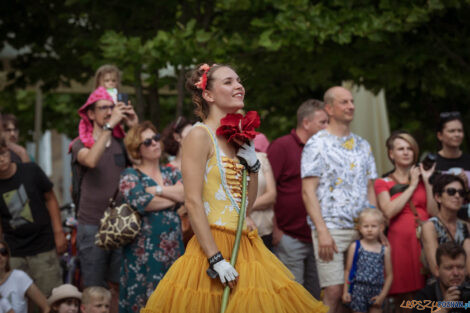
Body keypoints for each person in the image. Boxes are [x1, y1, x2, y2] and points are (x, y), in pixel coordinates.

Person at [141, 63, 327, 313]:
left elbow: (245, 209)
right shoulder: (199, 135)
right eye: (228, 82)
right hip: (212, 244)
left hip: (245, 246)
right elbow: (193, 201)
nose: (238, 86)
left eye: (239, 81)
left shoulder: (239, 138)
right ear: (208, 94)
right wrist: (215, 258)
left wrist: (252, 167)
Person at [301, 86, 378, 313]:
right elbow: (308, 191)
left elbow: (370, 187)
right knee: (333, 291)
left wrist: (376, 224)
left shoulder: (363, 145)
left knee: (362, 292)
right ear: (329, 108)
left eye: (352, 101)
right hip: (331, 229)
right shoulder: (317, 143)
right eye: (344, 102)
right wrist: (321, 229)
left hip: (364, 229)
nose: (351, 106)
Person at [70, 85, 138, 312]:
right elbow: (90, 160)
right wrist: (110, 126)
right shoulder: (80, 143)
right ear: (90, 114)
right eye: (103, 108)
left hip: (120, 225)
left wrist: (133, 125)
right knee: (93, 289)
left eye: (112, 107)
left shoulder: (120, 143)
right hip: (92, 225)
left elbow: (142, 161)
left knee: (119, 286)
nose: (109, 112)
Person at [118, 121, 185, 313]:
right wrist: (172, 198)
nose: (155, 143)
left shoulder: (171, 171)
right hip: (142, 257)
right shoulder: (130, 175)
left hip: (173, 252)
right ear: (137, 150)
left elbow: (185, 194)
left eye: (155, 138)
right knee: (143, 303)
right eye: (147, 142)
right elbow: (143, 202)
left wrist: (156, 190)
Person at [267, 99, 327, 297]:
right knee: (293, 296)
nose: (327, 127)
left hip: (319, 236)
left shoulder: (324, 149)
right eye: (323, 122)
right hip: (289, 236)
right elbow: (268, 189)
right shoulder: (281, 146)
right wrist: (276, 229)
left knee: (316, 295)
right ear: (306, 123)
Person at [374, 131, 437, 309]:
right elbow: (388, 211)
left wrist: (426, 180)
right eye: (401, 149)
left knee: (429, 293)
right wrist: (412, 185)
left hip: (426, 240)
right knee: (406, 299)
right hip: (401, 243)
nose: (406, 152)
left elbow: (433, 211)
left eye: (410, 148)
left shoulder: (424, 178)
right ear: (391, 154)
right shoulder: (383, 181)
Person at [0, 137, 65, 297]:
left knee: (52, 297)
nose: (1, 159)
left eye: (2, 153)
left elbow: (50, 198)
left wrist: (58, 232)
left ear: (8, 151)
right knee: (18, 300)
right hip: (14, 250)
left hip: (43, 246)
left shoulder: (30, 171)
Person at [342, 209, 393, 313]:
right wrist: (345, 291)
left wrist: (382, 295)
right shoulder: (355, 246)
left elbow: (390, 275)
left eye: (373, 226)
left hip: (376, 291)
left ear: (381, 228)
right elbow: (348, 270)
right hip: (358, 290)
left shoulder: (385, 250)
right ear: (360, 228)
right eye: (366, 226)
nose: (369, 230)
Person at [422, 174, 470, 277]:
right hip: (439, 286)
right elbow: (436, 269)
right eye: (451, 192)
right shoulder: (430, 226)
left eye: (461, 193)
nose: (457, 196)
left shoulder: (466, 226)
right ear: (438, 197)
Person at [162, 116, 193, 245]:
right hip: (175, 232)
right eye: (190, 134)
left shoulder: (205, 166)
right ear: (177, 137)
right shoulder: (166, 171)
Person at [413, 242, 467, 313]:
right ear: (437, 270)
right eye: (449, 268)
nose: (456, 273)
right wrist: (443, 309)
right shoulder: (424, 297)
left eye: (460, 267)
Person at [0, 240, 49, 313]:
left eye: (3, 252)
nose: (0, 256)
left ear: (7, 257)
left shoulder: (19, 277)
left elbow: (46, 306)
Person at [249, 133, 276, 250]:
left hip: (264, 230)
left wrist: (243, 209)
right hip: (236, 232)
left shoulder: (261, 158)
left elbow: (271, 196)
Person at [435, 111, 470, 184]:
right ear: (440, 135)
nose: (457, 134)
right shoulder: (432, 164)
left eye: (460, 131)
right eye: (452, 131)